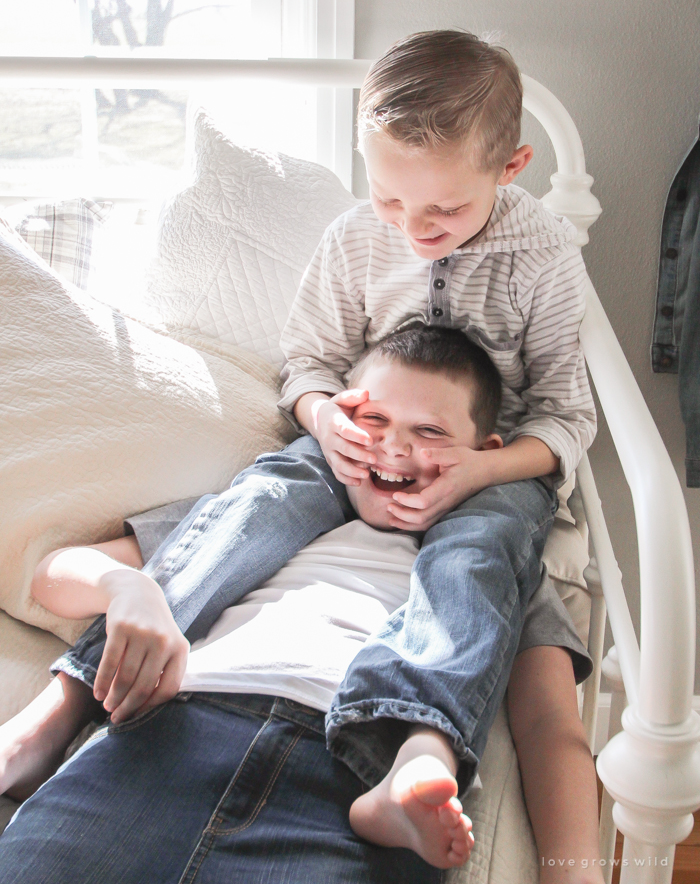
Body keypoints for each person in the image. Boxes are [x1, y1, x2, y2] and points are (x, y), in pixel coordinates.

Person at [0, 328, 603, 883]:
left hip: (359, 780)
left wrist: (572, 875)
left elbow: (551, 727)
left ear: (484, 454)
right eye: (374, 420)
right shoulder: (266, 516)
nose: (393, 449)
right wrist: (126, 588)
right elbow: (53, 575)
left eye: (431, 433)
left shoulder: (496, 569)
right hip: (165, 734)